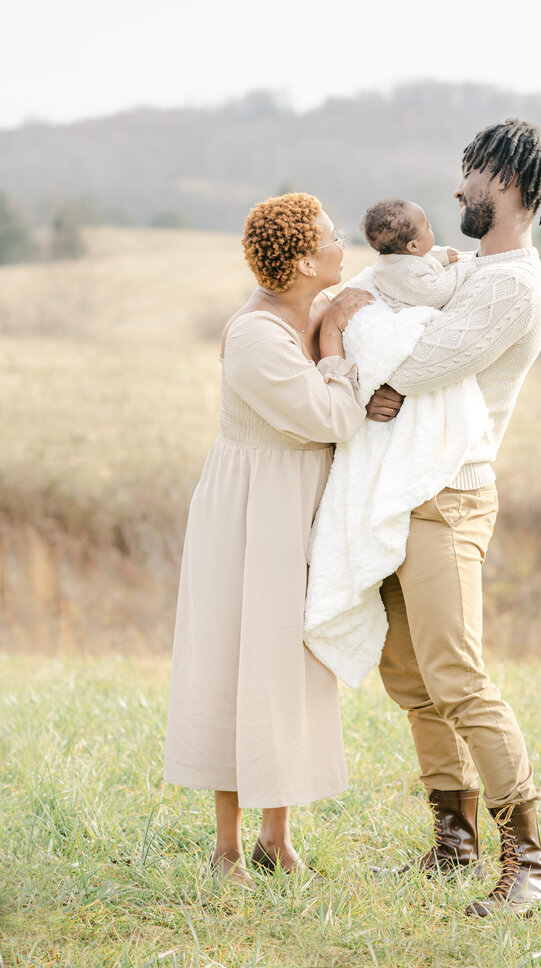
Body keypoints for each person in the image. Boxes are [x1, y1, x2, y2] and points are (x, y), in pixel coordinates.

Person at [366, 118, 541, 918]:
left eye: (472, 176)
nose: (457, 190)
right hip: (404, 490)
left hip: (450, 496)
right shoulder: (473, 271)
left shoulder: (514, 285)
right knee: (411, 677)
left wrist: (382, 374)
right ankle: (453, 845)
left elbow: (420, 364)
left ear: (507, 184)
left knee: (458, 675)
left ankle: (532, 862)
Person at [163, 192, 372, 888]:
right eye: (334, 237)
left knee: (284, 668)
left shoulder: (308, 311)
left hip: (294, 512)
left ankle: (274, 841)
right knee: (235, 664)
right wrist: (338, 349)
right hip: (248, 516)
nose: (344, 245)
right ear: (307, 260)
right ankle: (226, 851)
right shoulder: (257, 337)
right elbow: (332, 417)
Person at [361, 198, 474, 312]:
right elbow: (437, 293)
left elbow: (419, 256)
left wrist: (442, 255)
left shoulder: (392, 257)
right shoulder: (409, 272)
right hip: (406, 317)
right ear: (413, 246)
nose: (430, 226)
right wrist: (461, 270)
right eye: (427, 227)